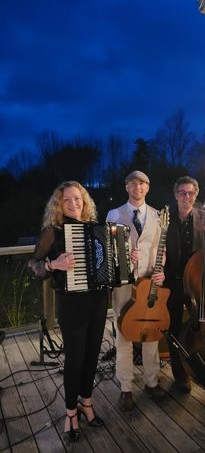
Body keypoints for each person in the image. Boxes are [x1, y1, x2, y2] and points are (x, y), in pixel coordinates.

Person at [28, 181, 108, 443]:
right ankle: (70, 412)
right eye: (67, 200)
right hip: (71, 304)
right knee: (74, 360)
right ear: (59, 205)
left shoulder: (97, 230)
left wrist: (125, 259)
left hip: (97, 301)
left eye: (78, 199)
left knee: (92, 355)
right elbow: (34, 266)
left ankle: (87, 402)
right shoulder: (53, 232)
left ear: (84, 202)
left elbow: (109, 262)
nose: (74, 204)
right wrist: (54, 264)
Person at [106, 170, 166, 412]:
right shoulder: (114, 214)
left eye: (141, 184)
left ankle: (152, 381)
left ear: (147, 187)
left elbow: (160, 250)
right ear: (126, 187)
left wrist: (161, 271)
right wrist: (123, 258)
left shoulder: (157, 216)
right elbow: (109, 250)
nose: (137, 188)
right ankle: (126, 388)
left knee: (150, 334)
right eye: (132, 184)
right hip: (123, 285)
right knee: (123, 335)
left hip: (149, 282)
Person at [164, 175, 205, 394]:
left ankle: (203, 371)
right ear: (176, 195)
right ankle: (180, 376)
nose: (187, 196)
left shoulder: (203, 216)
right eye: (182, 192)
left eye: (190, 193)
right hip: (171, 283)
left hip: (197, 284)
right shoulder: (165, 216)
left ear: (196, 195)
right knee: (173, 331)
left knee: (201, 330)